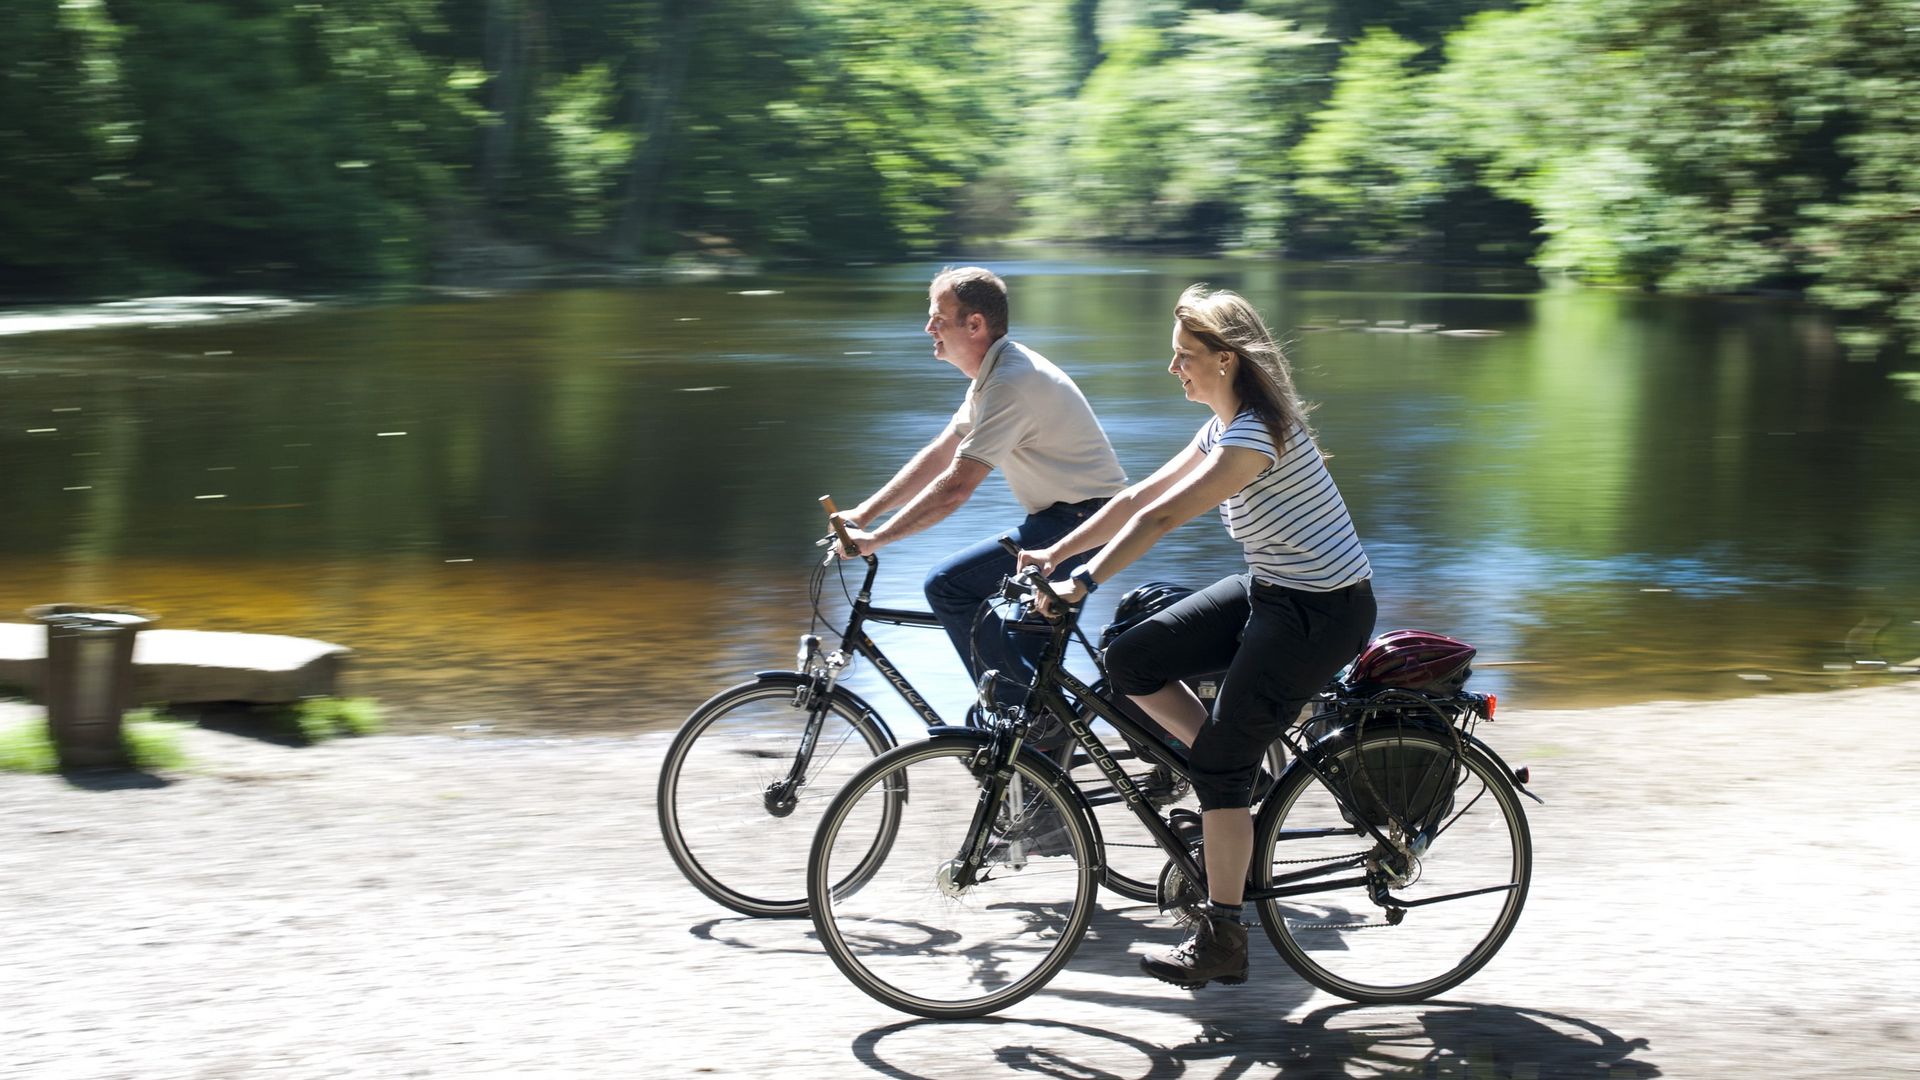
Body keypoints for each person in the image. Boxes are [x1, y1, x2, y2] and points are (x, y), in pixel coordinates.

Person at [1018, 284, 1376, 988]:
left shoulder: (1252, 436)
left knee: (1222, 765)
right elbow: (1134, 500)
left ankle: (1223, 936)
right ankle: (1219, 775)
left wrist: (1083, 584)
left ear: (1227, 360)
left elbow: (1160, 524)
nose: (1173, 368)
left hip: (1323, 611)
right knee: (1132, 657)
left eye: (1185, 356)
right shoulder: (1222, 424)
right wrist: (1057, 556)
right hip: (1274, 589)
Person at [834, 266, 1127, 717]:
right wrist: (866, 513)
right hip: (1063, 521)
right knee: (1020, 653)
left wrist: (877, 539)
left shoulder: (1011, 382)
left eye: (938, 317)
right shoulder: (995, 375)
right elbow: (943, 452)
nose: (928, 327)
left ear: (975, 324)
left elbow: (956, 487)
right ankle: (1039, 737)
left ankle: (1031, 728)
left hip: (1079, 524)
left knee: (948, 587)